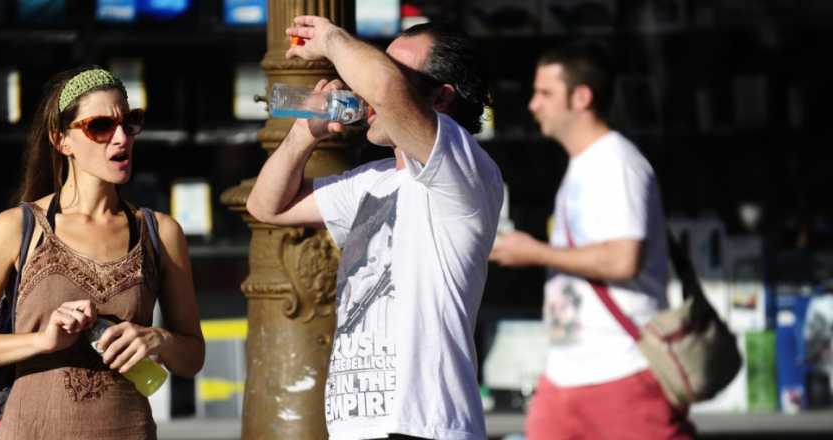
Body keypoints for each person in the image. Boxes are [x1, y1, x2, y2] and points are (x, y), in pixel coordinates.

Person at [247, 17, 503, 440]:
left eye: (394, 73)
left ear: (440, 98)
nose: (365, 87)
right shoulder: (373, 179)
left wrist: (331, 40)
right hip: (358, 427)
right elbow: (266, 205)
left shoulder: (462, 168)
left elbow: (385, 89)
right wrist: (303, 133)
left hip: (424, 426)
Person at [0, 66, 205, 439]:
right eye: (100, 127)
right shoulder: (19, 227)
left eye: (129, 122)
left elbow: (192, 356)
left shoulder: (159, 232)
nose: (121, 137)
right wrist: (41, 341)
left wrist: (158, 339)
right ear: (61, 140)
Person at [489, 42, 694, 439]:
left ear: (581, 97)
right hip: (568, 372)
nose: (533, 105)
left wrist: (534, 252)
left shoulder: (615, 163)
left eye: (545, 93)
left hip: (621, 369)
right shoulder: (583, 166)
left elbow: (622, 260)